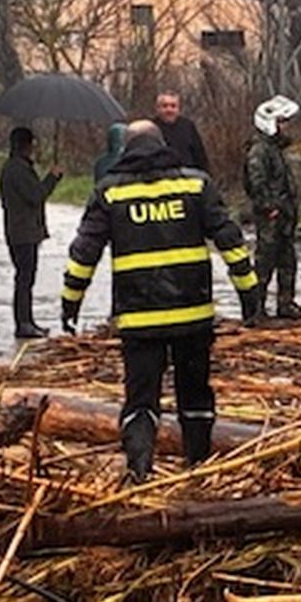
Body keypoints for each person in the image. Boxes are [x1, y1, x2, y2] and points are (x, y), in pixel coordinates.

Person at [61, 120, 260, 480]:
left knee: (140, 398)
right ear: (163, 145)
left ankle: (139, 469)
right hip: (193, 316)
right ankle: (197, 467)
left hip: (139, 320)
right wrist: (249, 295)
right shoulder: (195, 184)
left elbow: (84, 254)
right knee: (195, 394)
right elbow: (230, 240)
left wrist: (69, 305)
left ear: (126, 149)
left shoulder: (110, 192)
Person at [0, 126, 62, 339]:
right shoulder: (18, 170)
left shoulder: (15, 167)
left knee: (26, 278)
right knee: (25, 278)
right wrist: (52, 178)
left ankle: (28, 320)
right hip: (23, 232)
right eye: (32, 144)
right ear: (25, 145)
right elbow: (36, 195)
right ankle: (23, 323)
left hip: (20, 230)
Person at [243, 94, 301, 319]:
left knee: (288, 259)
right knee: (265, 260)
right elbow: (256, 181)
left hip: (284, 212)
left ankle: (286, 304)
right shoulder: (259, 150)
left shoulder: (275, 148)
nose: (286, 127)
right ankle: (256, 307)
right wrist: (269, 207)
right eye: (282, 123)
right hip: (271, 214)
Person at [152, 92, 209, 171]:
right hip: (159, 176)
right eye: (165, 106)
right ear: (157, 108)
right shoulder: (151, 128)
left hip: (188, 176)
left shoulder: (188, 126)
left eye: (173, 106)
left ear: (178, 109)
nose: (169, 110)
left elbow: (199, 155)